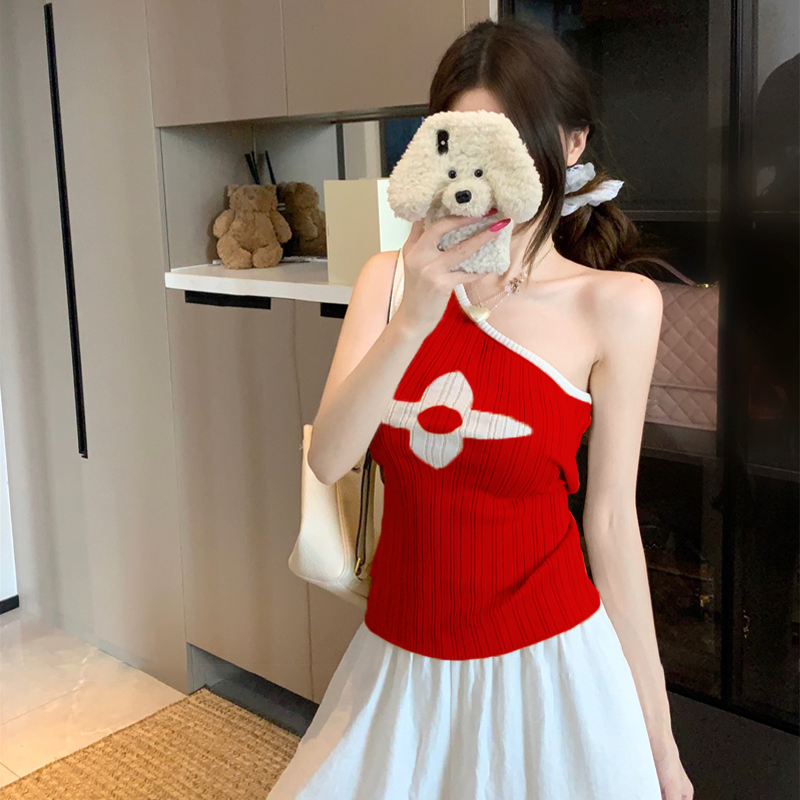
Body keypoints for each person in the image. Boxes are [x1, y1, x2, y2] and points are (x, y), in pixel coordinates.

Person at [269, 17, 694, 800]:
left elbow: (610, 525)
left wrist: (661, 746)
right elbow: (329, 459)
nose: (491, 176)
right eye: (466, 143)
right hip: (400, 659)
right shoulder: (388, 282)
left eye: (514, 144)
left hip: (551, 666)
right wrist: (413, 317)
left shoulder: (618, 305)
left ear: (571, 143)